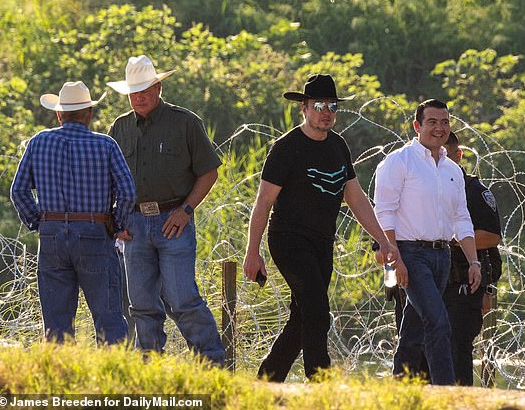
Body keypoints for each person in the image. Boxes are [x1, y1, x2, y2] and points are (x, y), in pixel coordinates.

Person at [242, 74, 399, 382]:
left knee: (302, 318)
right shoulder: (285, 148)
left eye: (332, 107)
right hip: (288, 241)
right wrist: (252, 252)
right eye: (319, 106)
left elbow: (355, 197)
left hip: (321, 243)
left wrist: (383, 240)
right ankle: (320, 383)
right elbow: (263, 203)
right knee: (317, 307)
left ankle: (266, 382)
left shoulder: (338, 147)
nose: (326, 112)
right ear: (304, 107)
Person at [107, 55, 224, 364]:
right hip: (133, 223)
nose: (139, 96)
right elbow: (105, 179)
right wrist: (115, 221)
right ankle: (150, 367)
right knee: (142, 303)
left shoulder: (185, 122)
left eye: (145, 89)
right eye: (133, 91)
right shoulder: (119, 128)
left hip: (174, 221)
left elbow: (209, 171)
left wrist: (186, 210)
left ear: (158, 87)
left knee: (182, 298)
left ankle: (211, 365)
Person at [10, 81, 136, 344]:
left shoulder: (39, 142)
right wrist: (115, 224)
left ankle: (60, 378)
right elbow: (127, 191)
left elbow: (18, 191)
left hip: (52, 235)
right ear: (89, 113)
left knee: (56, 324)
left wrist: (39, 223)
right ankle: (114, 379)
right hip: (94, 233)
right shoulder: (106, 145)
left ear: (59, 114)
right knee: (109, 318)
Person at [378, 131, 502, 386]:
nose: (438, 130)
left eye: (443, 123)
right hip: (413, 258)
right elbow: (385, 218)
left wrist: (472, 261)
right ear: (418, 127)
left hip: (450, 270)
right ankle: (442, 390)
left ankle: (404, 386)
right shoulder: (402, 164)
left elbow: (472, 226)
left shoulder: (461, 180)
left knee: (423, 332)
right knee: (437, 323)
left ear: (458, 154)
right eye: (431, 123)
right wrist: (394, 260)